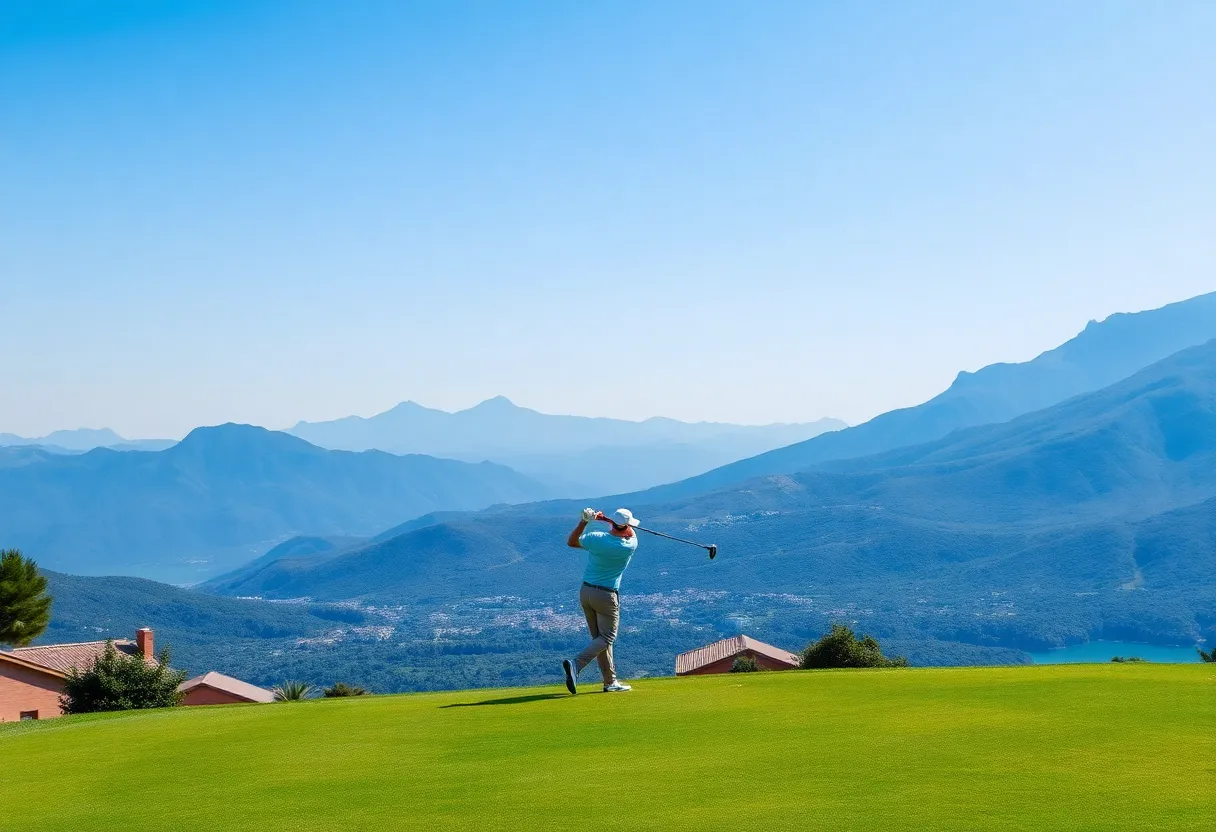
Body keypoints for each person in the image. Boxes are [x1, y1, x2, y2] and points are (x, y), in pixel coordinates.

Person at [562, 506, 639, 694]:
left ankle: (610, 682)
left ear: (613, 524)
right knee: (607, 637)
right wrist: (611, 521)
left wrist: (585, 521)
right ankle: (576, 665)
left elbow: (572, 542)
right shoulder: (629, 545)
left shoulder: (597, 538)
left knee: (600, 639)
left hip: (586, 591)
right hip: (606, 595)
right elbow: (630, 533)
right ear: (627, 525)